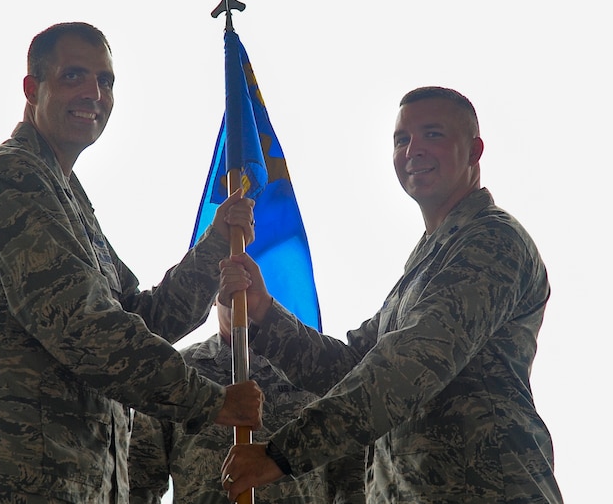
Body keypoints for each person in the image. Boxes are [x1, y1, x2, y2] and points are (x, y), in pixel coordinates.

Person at [0, 21, 265, 504]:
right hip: (6, 479)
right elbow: (82, 324)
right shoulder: (10, 176)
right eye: (73, 77)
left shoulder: (70, 202)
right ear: (32, 88)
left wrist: (214, 245)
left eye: (105, 81)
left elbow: (143, 320)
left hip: (80, 486)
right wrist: (210, 401)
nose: (94, 93)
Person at [218, 87, 563, 503]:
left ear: (474, 151)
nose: (413, 150)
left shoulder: (493, 240)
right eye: (402, 140)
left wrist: (282, 454)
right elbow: (352, 366)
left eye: (432, 134)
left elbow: (408, 366)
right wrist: (264, 314)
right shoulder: (428, 258)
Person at [127, 300, 366, 504]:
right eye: (229, 277)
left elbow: (351, 479)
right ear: (213, 295)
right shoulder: (176, 373)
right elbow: (140, 478)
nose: (240, 292)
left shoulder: (317, 372)